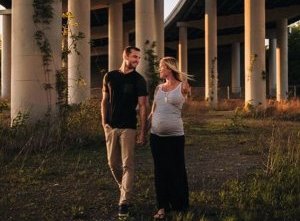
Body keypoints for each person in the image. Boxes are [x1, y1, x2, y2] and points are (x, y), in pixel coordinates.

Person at [101, 46, 148, 218]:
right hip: (111, 127)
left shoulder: (139, 80)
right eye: (135, 56)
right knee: (113, 164)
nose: (137, 60)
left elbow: (143, 106)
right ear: (125, 56)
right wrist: (104, 123)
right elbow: (104, 101)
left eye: (139, 58)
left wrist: (142, 131)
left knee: (128, 165)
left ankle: (124, 202)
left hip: (129, 127)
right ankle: (125, 190)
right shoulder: (109, 76)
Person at [148, 57, 190, 219]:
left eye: (162, 67)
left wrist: (185, 89)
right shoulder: (158, 88)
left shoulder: (183, 86)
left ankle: (180, 204)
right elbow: (153, 111)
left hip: (176, 137)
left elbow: (186, 106)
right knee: (160, 171)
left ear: (170, 68)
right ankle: (162, 207)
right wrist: (143, 130)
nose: (159, 70)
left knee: (177, 170)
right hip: (156, 137)